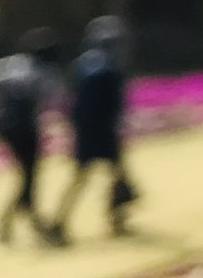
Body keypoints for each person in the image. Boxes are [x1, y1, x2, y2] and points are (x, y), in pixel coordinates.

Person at [0, 29, 64, 245]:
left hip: (4, 125)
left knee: (27, 176)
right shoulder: (45, 72)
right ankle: (23, 221)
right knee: (29, 176)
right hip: (24, 128)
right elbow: (56, 102)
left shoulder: (15, 65)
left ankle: (24, 220)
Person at [48, 16, 138, 243]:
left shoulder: (81, 65)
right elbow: (115, 106)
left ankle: (60, 222)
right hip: (103, 132)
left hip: (85, 131)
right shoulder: (110, 68)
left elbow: (71, 101)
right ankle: (114, 220)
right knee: (117, 177)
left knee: (84, 177)